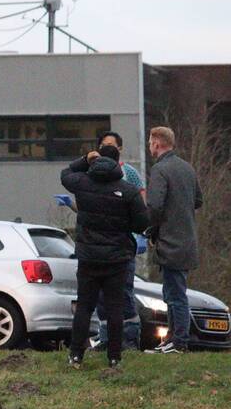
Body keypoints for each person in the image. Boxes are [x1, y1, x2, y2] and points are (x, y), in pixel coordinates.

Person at [62, 145, 149, 369]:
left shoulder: (82, 185)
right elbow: (142, 223)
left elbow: (66, 174)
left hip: (89, 258)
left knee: (84, 307)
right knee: (115, 309)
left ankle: (76, 355)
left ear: (94, 163)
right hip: (117, 259)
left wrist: (84, 159)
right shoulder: (127, 190)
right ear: (118, 165)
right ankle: (114, 356)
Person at [144, 126, 203, 354]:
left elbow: (155, 206)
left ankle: (178, 342)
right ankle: (173, 340)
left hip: (170, 242)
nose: (150, 147)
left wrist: (151, 230)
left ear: (157, 143)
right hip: (188, 240)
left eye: (150, 142)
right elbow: (198, 200)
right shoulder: (187, 168)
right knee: (175, 291)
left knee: (174, 295)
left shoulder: (160, 170)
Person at [90, 131, 146, 351]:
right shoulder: (92, 173)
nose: (107, 150)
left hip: (123, 243)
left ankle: (130, 338)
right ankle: (105, 337)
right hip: (100, 244)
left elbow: (141, 205)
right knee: (102, 295)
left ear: (119, 149)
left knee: (124, 291)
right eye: (103, 145)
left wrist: (140, 234)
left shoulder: (128, 173)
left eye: (111, 146)